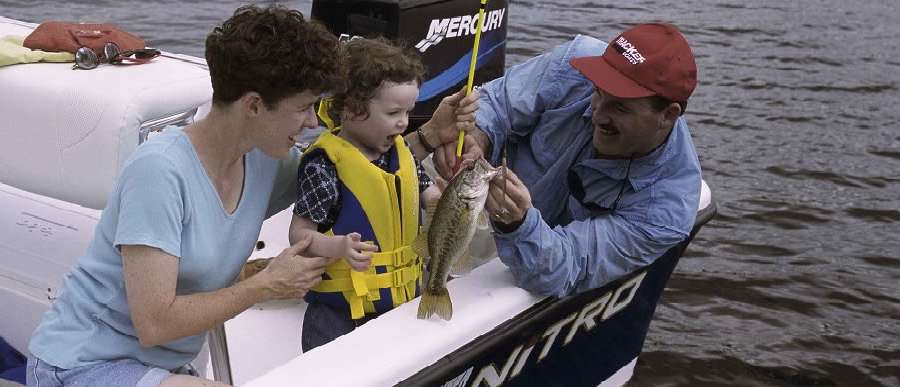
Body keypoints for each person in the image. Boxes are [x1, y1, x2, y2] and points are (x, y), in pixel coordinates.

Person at [25, 6, 344, 387]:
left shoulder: (265, 158)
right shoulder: (159, 173)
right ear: (254, 105)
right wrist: (265, 285)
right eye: (304, 107)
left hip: (162, 369)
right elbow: (155, 323)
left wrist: (427, 139)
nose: (313, 122)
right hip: (78, 364)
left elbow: (348, 175)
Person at [429, 23, 703, 297]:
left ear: (668, 115)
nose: (596, 115)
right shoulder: (574, 63)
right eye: (597, 92)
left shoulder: (667, 208)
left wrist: (516, 223)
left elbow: (569, 266)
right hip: (472, 198)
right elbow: (497, 104)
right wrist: (477, 135)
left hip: (524, 245)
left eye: (619, 106)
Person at [288, 36, 478, 351]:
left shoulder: (401, 155)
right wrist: (338, 246)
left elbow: (433, 201)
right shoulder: (325, 166)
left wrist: (457, 196)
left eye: (409, 112)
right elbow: (300, 236)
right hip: (339, 317)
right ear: (351, 108)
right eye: (393, 113)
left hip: (404, 302)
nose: (404, 123)